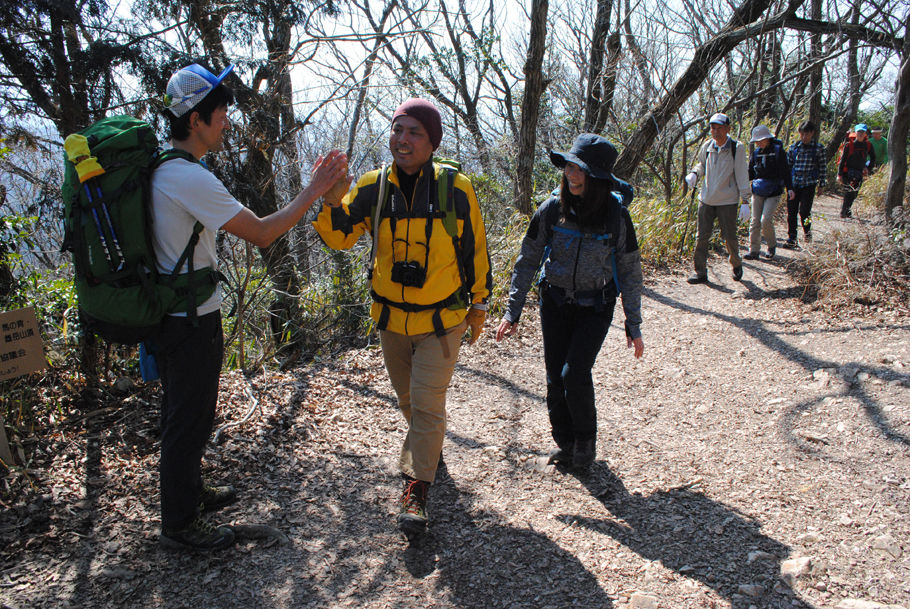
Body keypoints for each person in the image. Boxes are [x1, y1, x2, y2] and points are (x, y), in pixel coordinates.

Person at [149, 63, 348, 551]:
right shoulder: (187, 178)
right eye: (219, 113)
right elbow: (262, 231)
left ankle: (190, 493)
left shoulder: (163, 169)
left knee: (185, 409)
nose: (226, 122)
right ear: (195, 120)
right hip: (190, 319)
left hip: (172, 313)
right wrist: (315, 188)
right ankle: (179, 524)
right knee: (189, 417)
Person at [312, 98, 492, 540]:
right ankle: (429, 455)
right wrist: (330, 201)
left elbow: (475, 248)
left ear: (432, 142)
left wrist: (480, 303)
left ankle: (416, 490)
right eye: (397, 130)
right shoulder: (373, 188)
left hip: (442, 319)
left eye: (414, 132)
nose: (403, 139)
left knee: (426, 402)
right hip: (392, 320)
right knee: (410, 402)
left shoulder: (455, 188)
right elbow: (338, 239)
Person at [495, 133, 644, 470]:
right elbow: (528, 260)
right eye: (570, 167)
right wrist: (512, 311)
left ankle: (586, 445)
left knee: (574, 373)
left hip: (596, 306)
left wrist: (633, 323)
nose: (571, 175)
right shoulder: (551, 209)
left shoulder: (615, 217)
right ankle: (566, 443)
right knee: (553, 377)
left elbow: (630, 271)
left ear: (599, 178)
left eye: (580, 170)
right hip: (555, 302)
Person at [684, 113, 751, 283]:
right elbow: (701, 164)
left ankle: (736, 264)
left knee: (730, 237)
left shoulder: (737, 147)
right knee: (701, 237)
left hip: (727, 201)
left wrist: (745, 201)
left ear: (728, 128)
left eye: (720, 128)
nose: (716, 131)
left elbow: (742, 175)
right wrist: (694, 173)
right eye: (713, 128)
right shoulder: (708, 145)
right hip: (706, 198)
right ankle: (700, 272)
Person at [744, 125, 794, 261]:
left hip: (774, 191)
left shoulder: (779, 152)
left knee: (765, 220)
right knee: (755, 221)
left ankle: (771, 246)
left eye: (760, 140)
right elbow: (750, 173)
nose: (758, 143)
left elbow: (785, 171)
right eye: (756, 141)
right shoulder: (756, 154)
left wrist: (790, 188)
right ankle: (753, 250)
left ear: (768, 138)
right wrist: (739, 184)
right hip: (758, 190)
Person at [785, 120, 826, 247]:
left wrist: (822, 185)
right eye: (802, 134)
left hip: (809, 184)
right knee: (791, 212)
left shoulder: (818, 149)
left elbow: (823, 167)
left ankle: (807, 234)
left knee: (804, 212)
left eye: (806, 134)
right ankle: (792, 237)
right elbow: (788, 166)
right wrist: (787, 184)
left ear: (812, 133)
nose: (804, 137)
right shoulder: (794, 148)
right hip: (794, 184)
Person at [837, 123, 876, 218]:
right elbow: (842, 160)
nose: (861, 134)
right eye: (859, 131)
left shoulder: (868, 145)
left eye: (863, 132)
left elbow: (873, 157)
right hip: (848, 172)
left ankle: (847, 210)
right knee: (849, 192)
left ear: (865, 133)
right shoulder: (849, 145)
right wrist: (840, 174)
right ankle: (844, 211)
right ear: (856, 132)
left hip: (859, 172)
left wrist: (868, 168)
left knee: (855, 193)